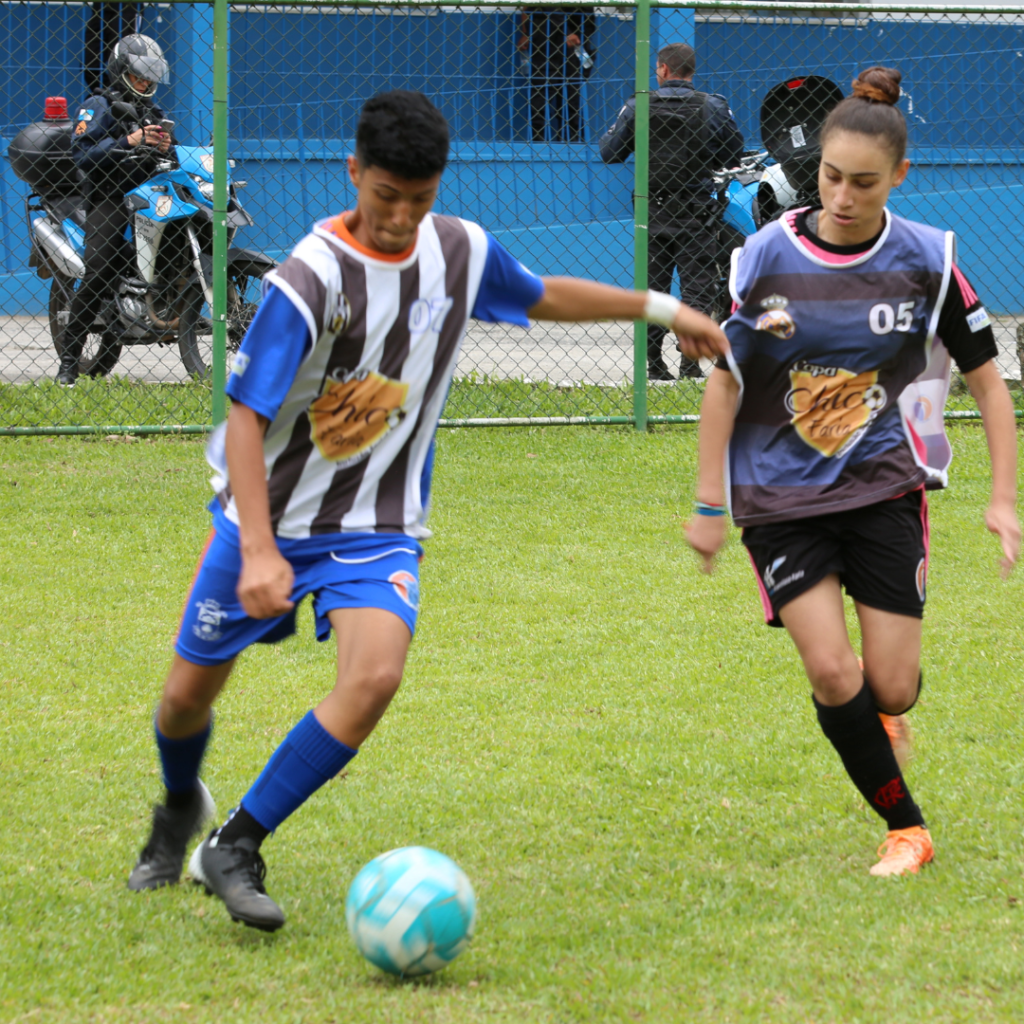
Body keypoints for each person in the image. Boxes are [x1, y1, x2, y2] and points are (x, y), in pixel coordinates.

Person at [126, 89, 729, 931]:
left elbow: (542, 294)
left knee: (374, 674)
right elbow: (246, 417)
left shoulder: (458, 251)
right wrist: (259, 551)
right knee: (186, 700)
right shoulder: (307, 279)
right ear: (353, 175)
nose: (401, 218)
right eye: (385, 198)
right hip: (265, 517)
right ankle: (180, 806)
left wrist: (664, 308)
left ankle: (237, 841)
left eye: (419, 199)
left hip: (376, 524)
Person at [686, 67, 1020, 877]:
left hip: (882, 489)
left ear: (898, 178)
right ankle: (907, 828)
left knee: (893, 688)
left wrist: (1004, 497)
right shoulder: (762, 255)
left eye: (863, 183)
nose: (840, 195)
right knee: (833, 669)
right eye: (831, 176)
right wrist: (707, 502)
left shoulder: (926, 261)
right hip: (779, 496)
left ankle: (881, 719)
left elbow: (986, 380)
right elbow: (727, 383)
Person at [600, 42, 744, 381]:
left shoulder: (638, 106)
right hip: (697, 213)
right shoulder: (713, 106)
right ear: (691, 70)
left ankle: (653, 364)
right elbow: (733, 156)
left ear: (663, 69)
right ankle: (690, 363)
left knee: (652, 289)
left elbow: (609, 152)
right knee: (697, 288)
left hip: (650, 213)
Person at [56, 33, 172, 387]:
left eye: (151, 77)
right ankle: (68, 364)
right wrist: (129, 141)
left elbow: (173, 154)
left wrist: (167, 145)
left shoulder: (154, 112)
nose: (147, 83)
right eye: (140, 76)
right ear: (121, 72)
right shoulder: (99, 104)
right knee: (98, 271)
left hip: (149, 198)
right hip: (110, 198)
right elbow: (82, 153)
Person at [518, 5, 596, 143]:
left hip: (574, 42)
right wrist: (526, 32)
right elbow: (529, 6)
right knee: (540, 93)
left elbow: (588, 18)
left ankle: (571, 140)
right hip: (545, 40)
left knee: (571, 93)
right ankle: (538, 140)